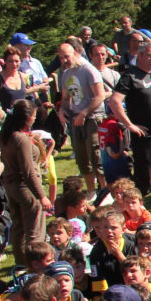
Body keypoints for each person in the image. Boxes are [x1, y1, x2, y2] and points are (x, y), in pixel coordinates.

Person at [109, 42, 151, 195]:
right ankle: (140, 200)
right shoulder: (130, 76)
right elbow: (114, 101)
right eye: (150, 56)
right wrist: (129, 125)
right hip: (144, 133)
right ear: (140, 55)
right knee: (144, 170)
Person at [0, 100, 50, 264]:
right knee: (35, 230)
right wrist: (42, 196)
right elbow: (28, 171)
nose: (34, 119)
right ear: (26, 118)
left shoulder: (6, 136)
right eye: (33, 116)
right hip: (25, 187)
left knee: (18, 227)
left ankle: (20, 263)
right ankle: (36, 263)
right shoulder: (21, 139)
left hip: (10, 185)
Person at [56, 42, 106, 193]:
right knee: (81, 158)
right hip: (75, 118)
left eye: (67, 56)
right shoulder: (66, 74)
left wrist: (83, 113)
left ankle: (104, 191)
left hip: (92, 117)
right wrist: (62, 110)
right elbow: (65, 98)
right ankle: (91, 190)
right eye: (61, 58)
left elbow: (100, 96)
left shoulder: (88, 70)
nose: (65, 60)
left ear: (76, 53)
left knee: (96, 156)